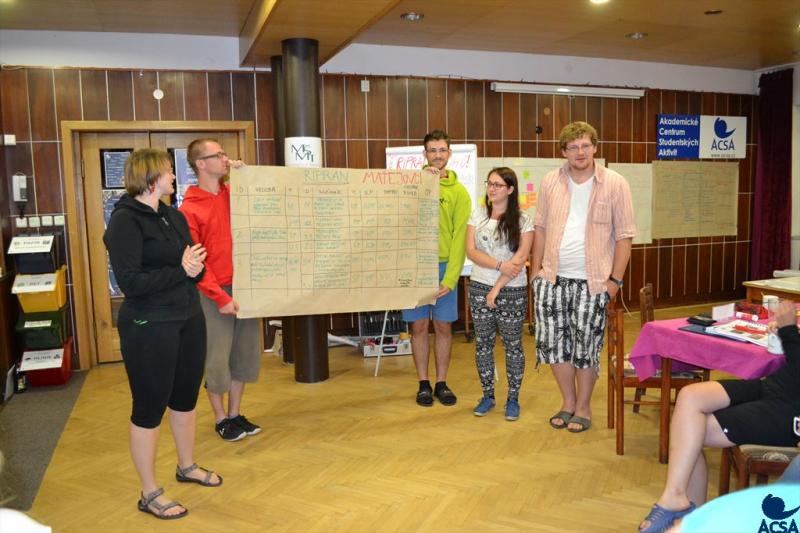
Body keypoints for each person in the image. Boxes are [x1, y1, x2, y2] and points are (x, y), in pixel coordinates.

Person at [104, 148, 221, 521]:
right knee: (149, 407)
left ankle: (187, 466)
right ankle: (149, 492)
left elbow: (191, 264)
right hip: (148, 324)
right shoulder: (124, 222)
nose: (174, 176)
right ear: (152, 177)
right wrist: (182, 270)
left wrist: (196, 268)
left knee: (185, 399)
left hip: (188, 317)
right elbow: (131, 283)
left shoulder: (173, 215)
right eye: (169, 171)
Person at [638, 299, 800, 533]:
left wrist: (788, 330)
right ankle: (676, 498)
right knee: (689, 397)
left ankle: (686, 513)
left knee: (690, 433)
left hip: (789, 412)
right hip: (775, 386)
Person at [531, 121, 635, 433]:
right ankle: (568, 402)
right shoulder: (550, 182)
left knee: (586, 348)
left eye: (586, 145)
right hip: (551, 280)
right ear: (563, 151)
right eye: (573, 147)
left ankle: (584, 406)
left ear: (595, 147)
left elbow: (625, 236)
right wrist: (536, 274)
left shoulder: (615, 184)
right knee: (554, 346)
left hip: (594, 283)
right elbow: (540, 229)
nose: (580, 152)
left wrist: (615, 282)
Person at [179, 139, 262, 442]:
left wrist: (244, 175)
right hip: (213, 294)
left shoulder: (233, 194)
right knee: (217, 358)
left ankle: (235, 413)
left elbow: (262, 203)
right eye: (219, 155)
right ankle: (220, 417)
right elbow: (197, 262)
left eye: (225, 154)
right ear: (201, 164)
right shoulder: (189, 208)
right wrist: (220, 297)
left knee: (244, 355)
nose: (226, 159)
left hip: (245, 287)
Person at [403, 130, 471, 407]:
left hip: (445, 268)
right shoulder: (410, 186)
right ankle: (423, 383)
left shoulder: (459, 192)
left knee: (443, 327)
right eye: (432, 150)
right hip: (416, 267)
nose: (438, 155)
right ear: (425, 154)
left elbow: (459, 237)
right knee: (419, 327)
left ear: (449, 153)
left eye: (442, 150)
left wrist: (451, 278)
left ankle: (442, 382)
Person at [466, 167, 534, 420]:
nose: (491, 189)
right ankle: (487, 396)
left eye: (497, 185)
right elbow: (471, 251)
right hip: (479, 286)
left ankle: (513, 400)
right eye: (489, 183)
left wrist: (496, 289)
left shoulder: (524, 220)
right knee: (483, 344)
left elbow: (519, 259)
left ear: (510, 189)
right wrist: (497, 266)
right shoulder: (478, 215)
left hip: (512, 291)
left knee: (513, 345)